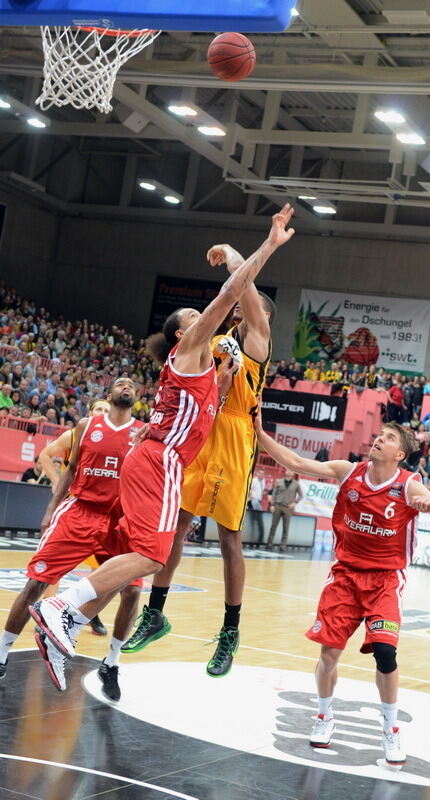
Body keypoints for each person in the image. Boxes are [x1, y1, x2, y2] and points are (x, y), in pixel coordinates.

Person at [28, 204, 295, 688]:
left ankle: (70, 616)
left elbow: (240, 309)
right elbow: (234, 292)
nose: (209, 314)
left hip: (190, 446)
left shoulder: (227, 352)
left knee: (161, 550)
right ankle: (67, 610)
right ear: (183, 330)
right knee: (156, 552)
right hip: (168, 456)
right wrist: (262, 248)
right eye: (196, 315)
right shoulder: (198, 343)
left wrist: (227, 385)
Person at [255, 416, 430, 767]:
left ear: (400, 454)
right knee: (328, 655)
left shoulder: (409, 485)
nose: (378, 439)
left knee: (385, 653)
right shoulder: (348, 471)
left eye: (388, 438)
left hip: (385, 580)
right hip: (345, 576)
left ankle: (390, 727)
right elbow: (296, 462)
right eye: (379, 435)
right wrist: (259, 433)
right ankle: (324, 716)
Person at [121, 243, 277, 679]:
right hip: (200, 433)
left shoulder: (258, 345)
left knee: (229, 539)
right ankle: (155, 612)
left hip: (233, 440)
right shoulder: (213, 341)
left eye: (254, 306)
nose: (248, 309)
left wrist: (233, 257)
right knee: (177, 527)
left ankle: (230, 630)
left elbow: (243, 288)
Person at [0, 378, 144, 700]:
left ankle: (112, 663)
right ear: (109, 394)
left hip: (120, 521)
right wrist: (51, 507)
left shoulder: (143, 432)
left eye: (131, 385)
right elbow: (70, 468)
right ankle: (2, 653)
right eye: (120, 383)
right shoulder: (85, 425)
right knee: (36, 583)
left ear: (136, 398)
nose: (126, 386)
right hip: (80, 512)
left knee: (132, 594)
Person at [38, 396, 113, 636]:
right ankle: (47, 613)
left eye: (106, 410)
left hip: (99, 510)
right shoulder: (73, 436)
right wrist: (57, 481)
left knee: (101, 568)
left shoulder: (115, 441)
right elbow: (45, 455)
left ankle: (90, 614)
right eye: (98, 409)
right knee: (56, 564)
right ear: (89, 413)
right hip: (72, 505)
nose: (102, 412)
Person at [266, 470, 303, 551]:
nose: (289, 472)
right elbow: (274, 493)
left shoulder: (296, 484)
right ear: (285, 472)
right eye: (287, 470)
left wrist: (295, 503)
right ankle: (269, 543)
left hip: (288, 508)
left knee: (286, 527)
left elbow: (301, 495)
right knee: (273, 526)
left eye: (291, 471)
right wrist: (272, 505)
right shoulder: (278, 481)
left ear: (293, 473)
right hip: (277, 506)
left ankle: (283, 545)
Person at [248, 470, 265, 544]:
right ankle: (254, 539)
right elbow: (250, 489)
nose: (261, 475)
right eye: (260, 473)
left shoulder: (263, 482)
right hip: (253, 501)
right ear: (257, 474)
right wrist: (250, 497)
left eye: (262, 474)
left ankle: (259, 539)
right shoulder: (254, 480)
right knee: (257, 518)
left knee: (258, 520)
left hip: (258, 500)